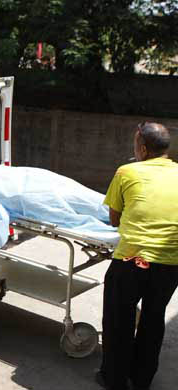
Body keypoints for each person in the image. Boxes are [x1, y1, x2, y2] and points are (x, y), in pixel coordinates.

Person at [97, 122, 178, 390]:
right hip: (170, 264)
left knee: (119, 320)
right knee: (154, 319)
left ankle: (114, 379)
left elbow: (114, 219)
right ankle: (142, 379)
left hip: (132, 261)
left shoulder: (126, 171)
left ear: (142, 148)